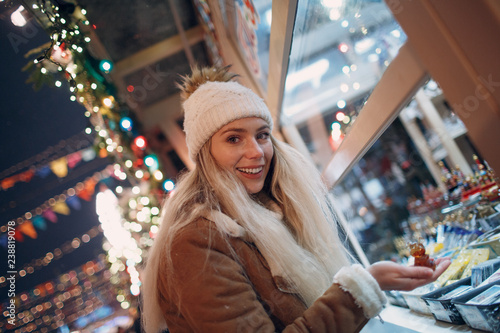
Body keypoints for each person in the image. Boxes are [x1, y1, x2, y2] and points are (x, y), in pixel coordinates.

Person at [142, 65, 450, 332]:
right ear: (205, 154)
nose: (257, 152)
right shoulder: (195, 244)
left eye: (262, 135)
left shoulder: (267, 210)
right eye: (234, 138)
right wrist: (364, 286)